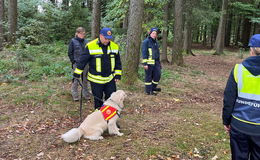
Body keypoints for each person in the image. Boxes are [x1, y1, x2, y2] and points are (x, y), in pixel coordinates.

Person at [222, 34, 260, 160]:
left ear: (251, 50)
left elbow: (229, 99)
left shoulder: (238, 70)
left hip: (239, 125)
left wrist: (226, 121)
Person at [73, 27, 122, 109]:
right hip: (95, 80)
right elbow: (83, 61)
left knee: (111, 100)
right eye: (105, 38)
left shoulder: (115, 46)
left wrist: (117, 75)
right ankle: (98, 118)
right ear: (100, 36)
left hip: (110, 79)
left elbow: (118, 62)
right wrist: (77, 73)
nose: (107, 41)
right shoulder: (91, 46)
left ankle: (109, 119)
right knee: (98, 100)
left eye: (109, 39)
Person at [68, 27, 89, 101]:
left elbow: (89, 52)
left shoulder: (86, 41)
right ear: (77, 33)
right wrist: (73, 61)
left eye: (84, 33)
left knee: (85, 79)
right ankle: (75, 95)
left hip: (85, 64)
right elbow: (70, 53)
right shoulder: (73, 41)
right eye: (81, 33)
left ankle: (86, 94)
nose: (83, 35)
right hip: (76, 64)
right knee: (76, 79)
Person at [141, 27, 161, 95]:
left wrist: (159, 63)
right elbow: (144, 53)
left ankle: (153, 88)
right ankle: (148, 91)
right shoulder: (145, 42)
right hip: (149, 63)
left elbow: (157, 54)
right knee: (148, 77)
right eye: (153, 33)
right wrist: (145, 63)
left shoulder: (156, 42)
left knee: (157, 75)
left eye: (155, 33)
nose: (154, 35)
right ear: (150, 33)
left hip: (156, 63)